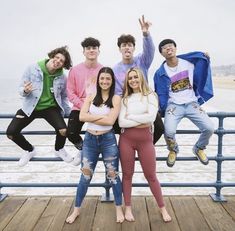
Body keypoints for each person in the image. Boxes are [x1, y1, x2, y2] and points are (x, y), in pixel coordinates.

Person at [66, 67, 124, 224]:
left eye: (108, 79)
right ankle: (76, 210)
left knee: (113, 175)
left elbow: (110, 122)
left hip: (108, 140)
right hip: (90, 140)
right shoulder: (91, 96)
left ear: (112, 81)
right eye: (102, 78)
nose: (104, 81)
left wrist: (92, 117)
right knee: (85, 176)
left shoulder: (116, 98)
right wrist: (102, 116)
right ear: (98, 80)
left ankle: (119, 208)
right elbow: (82, 116)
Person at [118, 67, 171, 222]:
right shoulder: (125, 99)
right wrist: (140, 117)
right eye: (130, 78)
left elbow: (151, 118)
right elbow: (121, 122)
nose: (133, 80)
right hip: (126, 140)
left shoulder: (150, 96)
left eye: (136, 77)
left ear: (141, 78)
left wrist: (132, 116)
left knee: (151, 176)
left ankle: (163, 208)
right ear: (127, 81)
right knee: (127, 175)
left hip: (146, 140)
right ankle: (127, 208)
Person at [6, 46, 73, 167]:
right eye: (57, 57)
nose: (58, 61)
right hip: (31, 106)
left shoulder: (62, 77)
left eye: (62, 61)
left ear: (63, 65)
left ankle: (59, 149)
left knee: (63, 130)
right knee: (11, 132)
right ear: (52, 56)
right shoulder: (32, 68)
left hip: (50, 108)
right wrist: (25, 91)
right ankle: (29, 150)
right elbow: (21, 89)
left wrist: (69, 111)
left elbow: (64, 97)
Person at [154, 39, 214, 167]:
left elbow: (201, 66)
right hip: (174, 106)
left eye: (170, 46)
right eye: (164, 48)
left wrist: (204, 57)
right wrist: (160, 108)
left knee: (209, 128)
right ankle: (173, 150)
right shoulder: (160, 73)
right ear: (161, 53)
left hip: (192, 103)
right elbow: (159, 92)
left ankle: (199, 148)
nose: (168, 48)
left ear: (175, 48)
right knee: (168, 132)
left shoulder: (188, 63)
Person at [113, 15, 164, 144]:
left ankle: (145, 147)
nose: (127, 47)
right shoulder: (115, 69)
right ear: (120, 49)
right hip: (127, 104)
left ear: (134, 48)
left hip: (145, 101)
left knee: (159, 128)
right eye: (123, 45)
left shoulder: (142, 61)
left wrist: (146, 34)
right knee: (117, 126)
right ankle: (129, 147)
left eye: (130, 45)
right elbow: (117, 92)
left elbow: (150, 50)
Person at [67, 37, 103, 166]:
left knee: (113, 129)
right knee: (70, 133)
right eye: (88, 48)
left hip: (99, 107)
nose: (91, 50)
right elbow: (70, 93)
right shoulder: (75, 70)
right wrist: (84, 106)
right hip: (79, 107)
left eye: (94, 48)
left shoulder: (103, 70)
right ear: (83, 51)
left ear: (99, 51)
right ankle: (83, 149)